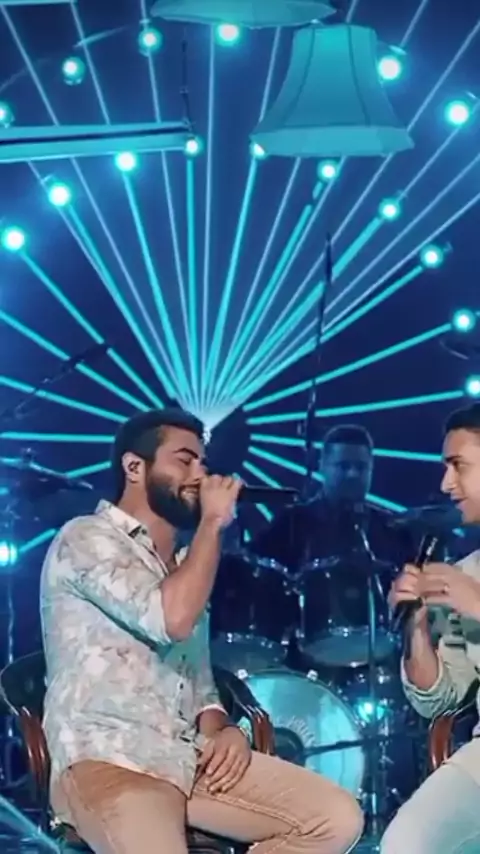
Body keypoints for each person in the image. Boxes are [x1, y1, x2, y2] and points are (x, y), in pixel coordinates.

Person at [40, 407, 363, 854]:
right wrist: (212, 523)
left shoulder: (184, 566)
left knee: (336, 818)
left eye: (203, 463)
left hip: (184, 762)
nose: (200, 474)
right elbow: (169, 619)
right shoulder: (86, 538)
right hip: (110, 760)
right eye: (184, 460)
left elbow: (199, 686)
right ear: (134, 467)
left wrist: (224, 728)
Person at [382, 402, 480, 853]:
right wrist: (417, 628)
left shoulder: (467, 588)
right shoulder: (466, 572)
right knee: (405, 843)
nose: (445, 483)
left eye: (458, 465)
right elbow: (439, 699)